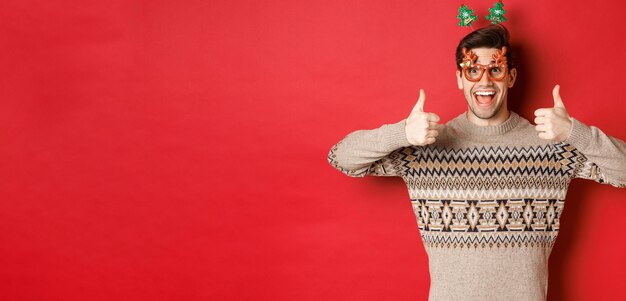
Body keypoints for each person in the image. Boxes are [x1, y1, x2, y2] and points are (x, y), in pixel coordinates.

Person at [327, 24, 626, 301]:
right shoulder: (425, 146)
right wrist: (401, 132)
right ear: (459, 78)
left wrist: (575, 132)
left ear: (510, 77)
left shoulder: (551, 146)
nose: (484, 81)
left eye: (495, 69)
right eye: (472, 70)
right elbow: (341, 157)